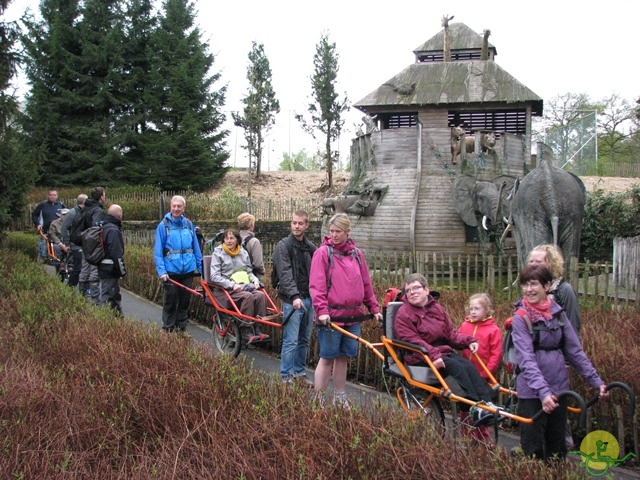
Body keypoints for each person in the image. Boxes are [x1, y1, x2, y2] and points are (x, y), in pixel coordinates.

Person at [512, 263, 607, 462]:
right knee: (534, 451)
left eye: (534, 284)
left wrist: (596, 382)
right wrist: (543, 393)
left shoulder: (558, 314)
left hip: (559, 388)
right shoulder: (521, 318)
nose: (529, 290)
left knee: (557, 449)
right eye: (525, 285)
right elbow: (526, 359)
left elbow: (575, 351)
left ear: (547, 286)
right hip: (532, 391)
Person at [393, 273, 498, 424]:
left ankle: (487, 404)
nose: (412, 292)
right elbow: (413, 340)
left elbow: (450, 334)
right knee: (456, 368)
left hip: (441, 351)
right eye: (408, 290)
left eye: (416, 288)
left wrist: (469, 341)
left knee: (467, 366)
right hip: (420, 355)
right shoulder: (404, 314)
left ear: (426, 290)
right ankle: (474, 406)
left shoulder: (437, 308)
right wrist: (434, 355)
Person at [309, 213, 383, 407]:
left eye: (338, 232)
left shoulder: (357, 254)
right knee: (327, 357)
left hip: (353, 316)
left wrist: (374, 308)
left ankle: (340, 396)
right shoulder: (323, 253)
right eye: (331, 231)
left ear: (347, 232)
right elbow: (316, 286)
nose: (334, 235)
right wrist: (322, 310)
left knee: (343, 357)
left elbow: (366, 283)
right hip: (331, 317)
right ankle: (319, 398)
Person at [272, 210, 316, 385]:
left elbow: (318, 272)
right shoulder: (283, 246)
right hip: (293, 301)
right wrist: (294, 296)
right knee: (291, 340)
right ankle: (286, 377)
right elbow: (285, 273)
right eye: (294, 223)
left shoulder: (310, 247)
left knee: (304, 340)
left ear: (306, 225)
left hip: (309, 299)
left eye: (300, 223)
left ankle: (299, 373)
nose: (296, 226)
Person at [209, 229, 271, 345]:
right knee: (247, 297)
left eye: (232, 238)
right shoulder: (218, 253)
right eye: (226, 238)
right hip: (225, 289)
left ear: (237, 240)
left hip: (243, 287)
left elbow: (249, 271)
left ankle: (258, 328)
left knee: (260, 295)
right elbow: (214, 276)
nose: (229, 241)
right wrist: (232, 285)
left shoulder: (243, 252)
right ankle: (245, 331)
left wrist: (255, 280)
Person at [154, 195, 203, 333]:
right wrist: (161, 271)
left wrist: (202, 270)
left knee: (184, 300)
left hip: (187, 269)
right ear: (170, 207)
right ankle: (168, 328)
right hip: (171, 271)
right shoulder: (163, 226)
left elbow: (196, 249)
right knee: (170, 300)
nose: (176, 209)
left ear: (183, 208)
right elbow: (158, 251)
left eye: (179, 206)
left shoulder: (188, 224)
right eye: (174, 206)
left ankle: (181, 328)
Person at [457, 292, 502, 443]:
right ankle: (466, 437)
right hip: (466, 374)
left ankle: (483, 439)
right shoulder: (464, 325)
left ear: (487, 310)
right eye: (471, 309)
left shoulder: (493, 330)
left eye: (477, 309)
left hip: (482, 375)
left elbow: (495, 354)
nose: (473, 312)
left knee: (482, 407)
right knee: (465, 407)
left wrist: (486, 373)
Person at [528, 244, 581, 333]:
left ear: (551, 265)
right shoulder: (529, 290)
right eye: (531, 261)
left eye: (538, 262)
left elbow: (573, 326)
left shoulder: (564, 290)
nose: (533, 265)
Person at [77, 187, 106, 302]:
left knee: (84, 268)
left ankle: (81, 296)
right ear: (101, 197)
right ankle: (95, 300)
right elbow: (96, 228)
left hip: (84, 241)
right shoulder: (97, 210)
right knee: (94, 270)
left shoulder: (86, 207)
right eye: (104, 195)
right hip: (93, 243)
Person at [98, 205, 126, 316]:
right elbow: (116, 254)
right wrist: (122, 271)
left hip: (103, 266)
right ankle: (109, 321)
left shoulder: (103, 226)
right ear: (119, 215)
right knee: (111, 296)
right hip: (110, 269)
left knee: (108, 294)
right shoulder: (113, 230)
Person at [61, 194, 88, 289]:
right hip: (75, 244)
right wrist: (67, 243)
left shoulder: (86, 212)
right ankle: (70, 287)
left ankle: (83, 288)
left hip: (84, 243)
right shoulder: (72, 213)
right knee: (78, 266)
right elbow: (64, 229)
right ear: (84, 202)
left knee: (84, 267)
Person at [32, 189, 65, 260]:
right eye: (50, 195)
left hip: (58, 233)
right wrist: (37, 224)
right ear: (48, 196)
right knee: (43, 252)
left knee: (58, 251)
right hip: (45, 232)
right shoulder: (43, 205)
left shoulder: (61, 205)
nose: (52, 196)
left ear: (57, 196)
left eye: (54, 195)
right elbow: (34, 215)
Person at [237, 212, 265, 282]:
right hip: (252, 278)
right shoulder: (254, 242)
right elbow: (258, 264)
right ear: (251, 225)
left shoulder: (233, 240)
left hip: (237, 277)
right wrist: (263, 272)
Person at [47, 208, 70, 275]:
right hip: (58, 242)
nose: (65, 216)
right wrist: (60, 244)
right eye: (63, 214)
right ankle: (59, 265)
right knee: (55, 247)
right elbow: (52, 234)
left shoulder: (73, 223)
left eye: (66, 215)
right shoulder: (54, 223)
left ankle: (71, 266)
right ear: (60, 215)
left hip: (69, 242)